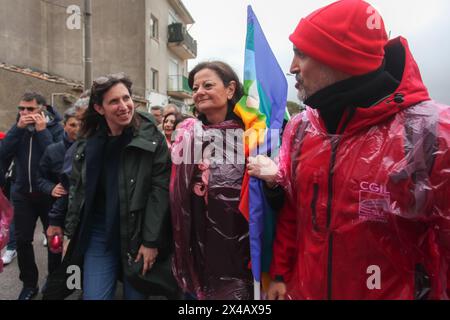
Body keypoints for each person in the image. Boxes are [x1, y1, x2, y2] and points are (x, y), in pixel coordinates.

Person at [248, 0, 450, 300]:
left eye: (301, 54)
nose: (292, 68)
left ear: (340, 58)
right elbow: (294, 213)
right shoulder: (303, 129)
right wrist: (280, 273)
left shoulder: (431, 132)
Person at [62, 73, 178, 300]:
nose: (124, 106)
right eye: (114, 101)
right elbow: (77, 191)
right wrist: (70, 233)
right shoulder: (87, 140)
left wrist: (150, 241)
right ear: (99, 108)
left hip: (137, 232)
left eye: (126, 98)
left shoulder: (150, 134)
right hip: (98, 232)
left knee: (136, 296)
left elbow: (160, 190)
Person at [170, 61, 254, 300]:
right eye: (195, 88)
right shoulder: (188, 135)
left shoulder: (251, 134)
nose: (199, 92)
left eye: (207, 85)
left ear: (230, 89)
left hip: (236, 252)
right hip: (194, 246)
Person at [0, 91, 64, 300]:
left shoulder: (56, 128)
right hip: (22, 194)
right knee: (22, 240)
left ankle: (53, 281)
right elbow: (2, 153)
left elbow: (56, 160)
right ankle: (29, 284)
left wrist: (42, 132)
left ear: (42, 109)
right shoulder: (17, 128)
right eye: (21, 109)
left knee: (54, 239)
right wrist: (17, 131)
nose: (24, 113)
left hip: (48, 194)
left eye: (30, 109)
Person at [38, 108, 80, 250]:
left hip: (82, 214)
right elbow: (39, 178)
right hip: (58, 212)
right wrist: (51, 188)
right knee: (56, 256)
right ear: (64, 125)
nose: (78, 129)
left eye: (81, 124)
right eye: (73, 125)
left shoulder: (92, 149)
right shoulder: (53, 151)